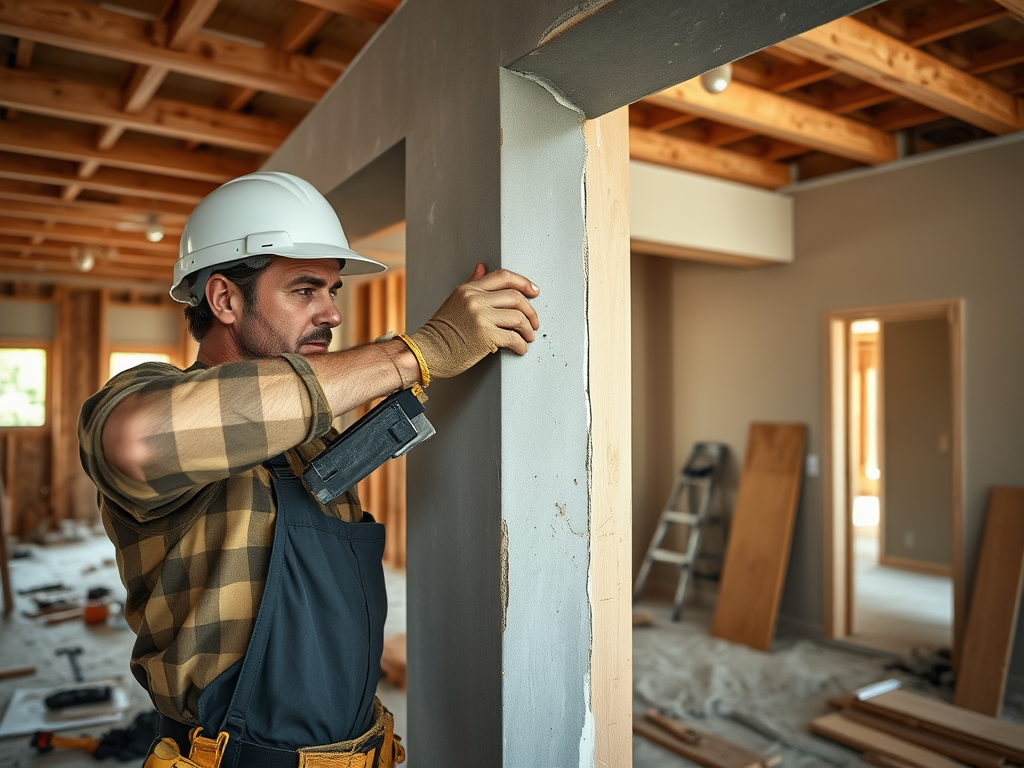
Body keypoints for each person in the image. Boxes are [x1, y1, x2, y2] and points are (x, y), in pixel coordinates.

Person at [78, 171, 540, 768]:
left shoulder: (306, 430)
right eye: (304, 290)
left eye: (333, 290)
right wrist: (415, 351)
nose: (333, 313)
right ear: (223, 299)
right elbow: (137, 441)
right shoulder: (149, 396)